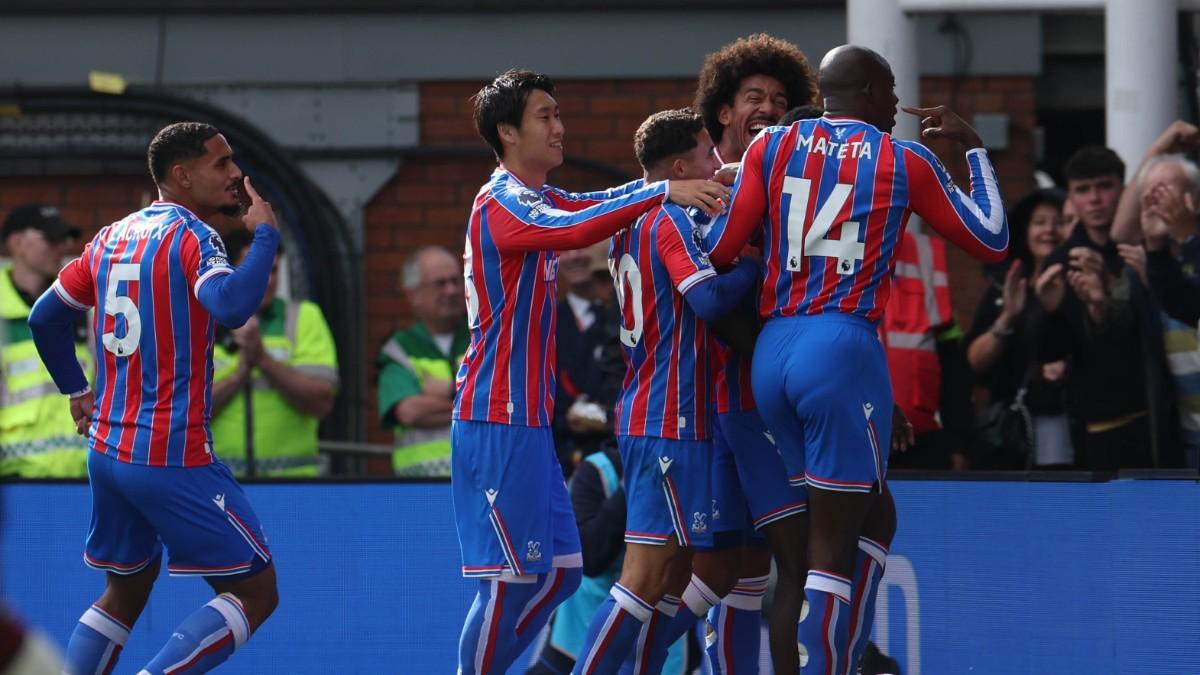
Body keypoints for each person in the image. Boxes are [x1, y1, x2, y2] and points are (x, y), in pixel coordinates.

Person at [704, 45, 1008, 675]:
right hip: (841, 346)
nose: (897, 101)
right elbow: (992, 239)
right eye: (890, 87)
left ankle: (835, 658)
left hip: (773, 351)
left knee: (870, 516)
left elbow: (722, 248)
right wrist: (975, 150)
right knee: (830, 549)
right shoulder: (903, 158)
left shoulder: (770, 147)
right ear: (869, 90)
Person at [454, 70, 729, 675]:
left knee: (562, 573)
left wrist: (672, 184)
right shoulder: (501, 202)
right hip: (494, 414)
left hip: (528, 419)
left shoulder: (536, 197)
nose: (559, 127)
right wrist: (665, 191)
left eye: (558, 114)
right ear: (507, 132)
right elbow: (575, 230)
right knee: (508, 583)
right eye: (545, 116)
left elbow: (588, 205)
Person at [28, 122, 280, 675]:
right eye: (221, 163)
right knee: (256, 591)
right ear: (182, 175)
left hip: (107, 451)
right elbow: (232, 305)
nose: (236, 173)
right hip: (169, 453)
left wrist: (76, 389)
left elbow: (45, 317)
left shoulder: (112, 236)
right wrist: (265, 236)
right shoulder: (194, 236)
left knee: (127, 588)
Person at [573, 108, 759, 674]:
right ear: (680, 168)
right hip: (666, 419)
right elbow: (707, 300)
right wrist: (753, 266)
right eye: (707, 152)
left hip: (669, 416)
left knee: (675, 577)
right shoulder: (668, 218)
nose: (717, 160)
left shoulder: (631, 220)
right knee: (645, 579)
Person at [691, 34, 818, 674]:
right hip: (729, 401)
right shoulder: (707, 188)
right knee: (793, 561)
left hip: (759, 399)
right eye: (753, 97)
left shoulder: (789, 183)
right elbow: (713, 307)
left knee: (740, 569)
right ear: (723, 110)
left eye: (779, 99)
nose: (767, 108)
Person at [1034, 146, 1178, 469]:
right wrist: (1050, 311)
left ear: (1123, 190)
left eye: (1104, 186)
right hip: (1094, 426)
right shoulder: (1061, 261)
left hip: (1160, 414)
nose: (1095, 199)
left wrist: (1130, 284)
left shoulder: (1148, 248)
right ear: (1070, 198)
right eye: (1083, 190)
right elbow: (1050, 354)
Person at [529, 442, 687, 675]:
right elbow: (591, 558)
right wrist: (629, 487)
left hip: (658, 637)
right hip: (579, 636)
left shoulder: (689, 471)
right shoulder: (598, 469)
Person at [210, 229, 338, 477]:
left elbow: (321, 402)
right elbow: (184, 414)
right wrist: (238, 376)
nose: (267, 280)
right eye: (256, 270)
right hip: (221, 484)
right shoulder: (201, 323)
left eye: (274, 270)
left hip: (293, 484)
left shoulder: (304, 317)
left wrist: (263, 360)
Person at [965, 189, 1073, 469]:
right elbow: (972, 363)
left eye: (1059, 222)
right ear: (1025, 231)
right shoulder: (1006, 286)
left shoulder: (1079, 280)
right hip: (1010, 430)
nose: (1049, 230)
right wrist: (1007, 318)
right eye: (1040, 222)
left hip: (1068, 423)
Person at [0, 205, 91, 477]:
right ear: (17, 243)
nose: (61, 248)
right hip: (12, 480)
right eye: (50, 239)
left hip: (83, 476)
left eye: (63, 240)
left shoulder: (85, 309)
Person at [1127, 154, 1200, 467]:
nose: (1158, 201)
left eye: (1167, 191)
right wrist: (1155, 247)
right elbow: (1184, 304)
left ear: (1195, 199)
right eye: (1151, 194)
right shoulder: (1148, 266)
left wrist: (1188, 236)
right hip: (1189, 436)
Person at [377, 245, 469, 477]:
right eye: (440, 283)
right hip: (419, 487)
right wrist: (476, 404)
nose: (451, 290)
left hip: (479, 484)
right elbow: (410, 412)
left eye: (455, 281)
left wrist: (448, 390)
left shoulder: (484, 339)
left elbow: (507, 400)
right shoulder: (399, 349)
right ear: (413, 295)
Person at [553, 241, 625, 476]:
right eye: (566, 247)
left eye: (584, 246)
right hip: (566, 458)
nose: (575, 256)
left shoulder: (629, 319)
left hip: (620, 449)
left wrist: (603, 418)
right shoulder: (548, 322)